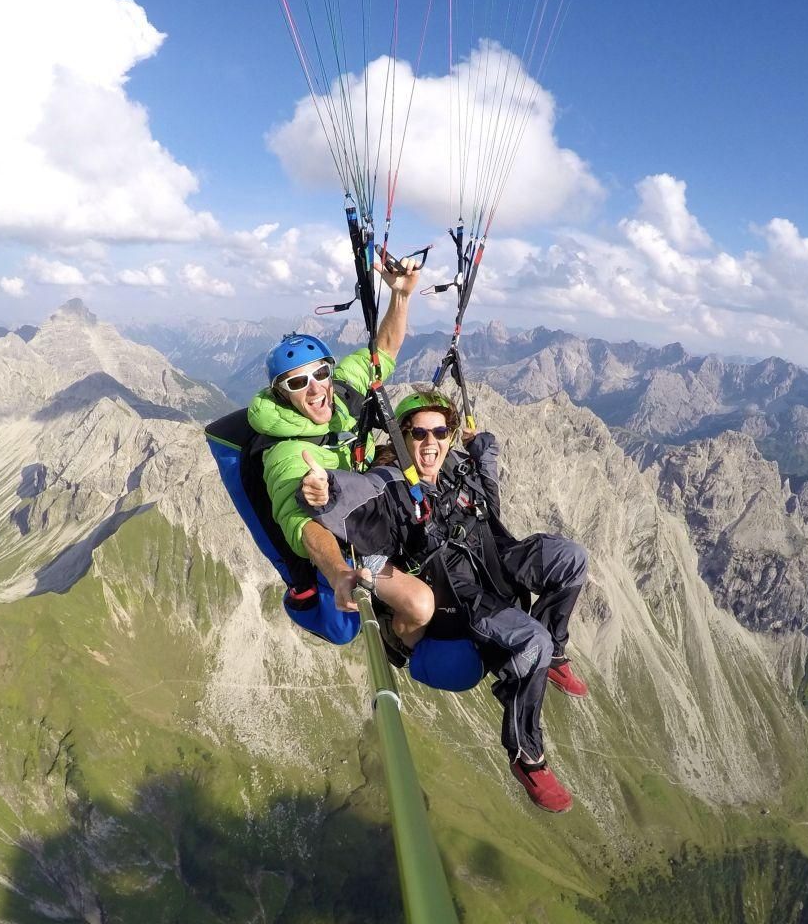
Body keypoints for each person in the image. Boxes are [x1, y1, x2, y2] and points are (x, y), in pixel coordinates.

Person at [302, 388, 590, 813]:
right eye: (418, 434)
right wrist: (323, 490)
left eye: (440, 431)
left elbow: (485, 470)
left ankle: (556, 655)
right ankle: (527, 755)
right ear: (402, 438)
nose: (430, 442)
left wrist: (482, 444)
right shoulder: (392, 488)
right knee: (534, 643)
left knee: (571, 559)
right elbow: (350, 496)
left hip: (497, 560)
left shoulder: (457, 468)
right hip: (461, 595)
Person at [246, 257, 434, 653]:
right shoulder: (286, 454)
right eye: (298, 382)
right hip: (354, 543)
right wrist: (339, 573)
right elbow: (302, 526)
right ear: (282, 394)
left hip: (372, 508)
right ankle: (400, 640)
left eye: (320, 374)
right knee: (420, 604)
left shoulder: (340, 396)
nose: (315, 389)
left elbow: (383, 350)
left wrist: (400, 296)